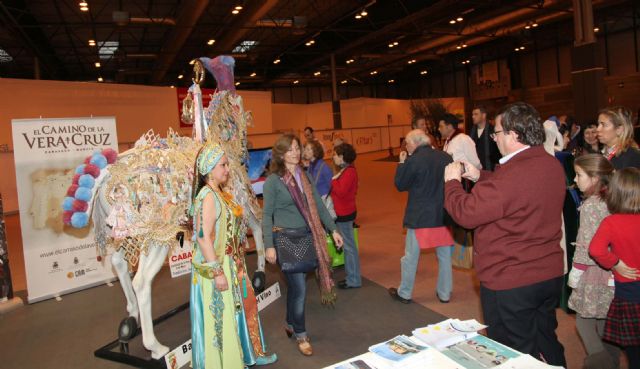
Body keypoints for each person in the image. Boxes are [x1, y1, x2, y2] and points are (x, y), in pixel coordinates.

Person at [443, 102, 567, 367]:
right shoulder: (548, 163)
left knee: (512, 352)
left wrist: (452, 183)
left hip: (511, 279)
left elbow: (466, 213)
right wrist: (481, 177)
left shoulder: (512, 175)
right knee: (546, 340)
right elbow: (518, 195)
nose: (494, 138)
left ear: (513, 135)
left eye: (496, 133)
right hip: (548, 273)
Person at [190, 142, 277, 369]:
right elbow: (202, 237)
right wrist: (217, 272)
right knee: (222, 320)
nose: (227, 169)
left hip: (231, 262)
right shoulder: (208, 196)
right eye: (223, 165)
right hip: (216, 268)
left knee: (238, 312)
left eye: (227, 164)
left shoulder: (218, 193)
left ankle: (243, 355)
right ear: (209, 168)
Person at [262, 134, 343, 357]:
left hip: (306, 237)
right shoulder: (273, 181)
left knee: (296, 288)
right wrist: (268, 245)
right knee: (300, 288)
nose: (296, 152)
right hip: (285, 240)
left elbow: (318, 204)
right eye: (290, 149)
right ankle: (301, 333)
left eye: (297, 148)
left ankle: (290, 322)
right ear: (280, 154)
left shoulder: (304, 176)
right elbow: (266, 214)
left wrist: (333, 229)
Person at [388, 129, 454, 304]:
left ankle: (405, 293)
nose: (406, 147)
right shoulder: (446, 157)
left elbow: (400, 185)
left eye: (407, 144)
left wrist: (401, 163)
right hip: (441, 215)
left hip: (420, 217)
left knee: (410, 257)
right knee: (445, 258)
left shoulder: (413, 160)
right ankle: (445, 293)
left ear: (415, 143)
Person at [567, 154, 619, 369]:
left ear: (596, 178)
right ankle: (612, 363)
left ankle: (600, 363)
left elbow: (586, 244)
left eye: (579, 175)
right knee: (604, 324)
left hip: (592, 272)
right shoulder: (614, 200)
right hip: (612, 272)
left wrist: (575, 274)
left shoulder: (591, 206)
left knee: (584, 321)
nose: (575, 179)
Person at [589, 168, 640, 369]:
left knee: (634, 351)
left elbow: (595, 249)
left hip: (628, 293)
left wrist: (616, 263)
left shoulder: (611, 222)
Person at [331, 143, 360, 289]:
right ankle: (352, 277)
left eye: (335, 154)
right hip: (343, 212)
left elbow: (341, 192)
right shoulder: (345, 170)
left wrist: (332, 181)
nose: (332, 157)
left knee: (349, 248)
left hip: (345, 213)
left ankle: (353, 280)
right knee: (349, 247)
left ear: (342, 157)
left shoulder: (349, 172)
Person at [470, 106, 500, 171]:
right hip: (475, 169)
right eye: (472, 114)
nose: (473, 116)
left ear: (484, 115)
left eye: (476, 114)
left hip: (490, 169)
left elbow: (498, 152)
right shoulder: (471, 132)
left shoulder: (493, 130)